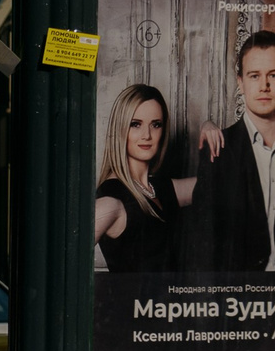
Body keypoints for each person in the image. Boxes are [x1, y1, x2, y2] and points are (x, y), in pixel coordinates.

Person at [186, 30, 275, 271]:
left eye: (273, 75)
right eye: (254, 75)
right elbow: (203, 247)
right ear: (240, 82)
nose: (265, 86)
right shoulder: (219, 150)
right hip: (241, 298)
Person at [95, 84, 196, 274]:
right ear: (120, 129)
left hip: (174, 303)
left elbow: (218, 183)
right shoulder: (111, 200)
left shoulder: (158, 187)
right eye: (136, 124)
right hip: (135, 304)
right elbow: (63, 259)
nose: (147, 135)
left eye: (156, 124)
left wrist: (211, 129)